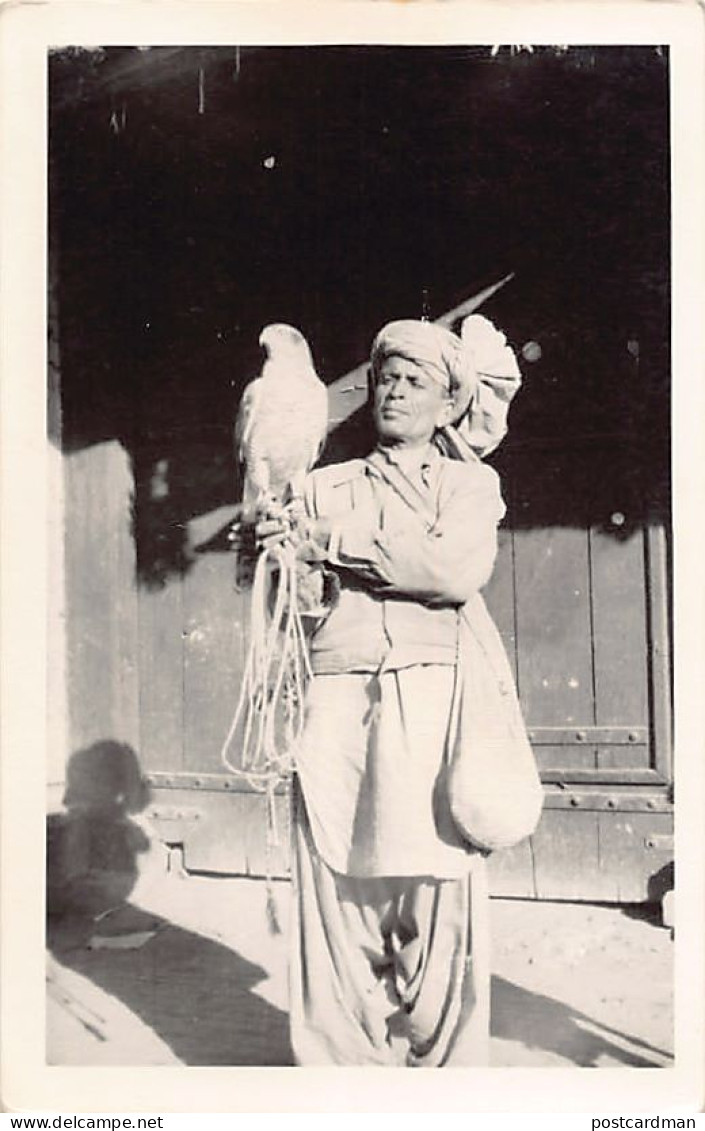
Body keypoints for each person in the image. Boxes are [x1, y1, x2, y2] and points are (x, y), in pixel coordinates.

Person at [253, 315, 522, 1067]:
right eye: (386, 379)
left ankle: (442, 1068)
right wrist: (284, 561)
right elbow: (299, 604)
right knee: (335, 882)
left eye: (415, 382)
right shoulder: (320, 485)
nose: (395, 392)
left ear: (447, 404)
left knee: (438, 880)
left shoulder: (470, 483)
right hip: (336, 702)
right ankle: (343, 1070)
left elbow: (450, 571)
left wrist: (334, 543)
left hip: (433, 700)